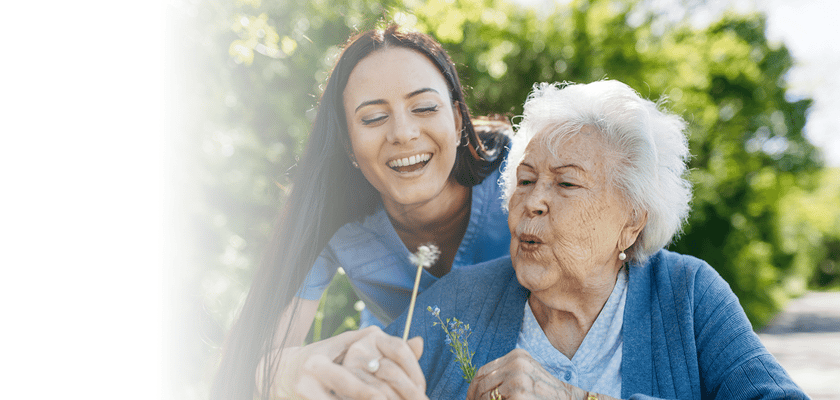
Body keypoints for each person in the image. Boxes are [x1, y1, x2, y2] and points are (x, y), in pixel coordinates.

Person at [384, 80, 808, 399]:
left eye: (566, 183)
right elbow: (360, 380)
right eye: (525, 180)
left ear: (632, 221)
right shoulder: (460, 299)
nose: (532, 202)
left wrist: (577, 398)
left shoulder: (688, 294)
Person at [211, 25, 511, 400]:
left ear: (456, 121)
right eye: (372, 118)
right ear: (349, 146)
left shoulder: (526, 175)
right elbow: (253, 358)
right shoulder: (332, 212)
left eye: (424, 107)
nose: (403, 132)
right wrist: (293, 370)